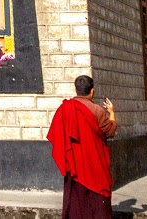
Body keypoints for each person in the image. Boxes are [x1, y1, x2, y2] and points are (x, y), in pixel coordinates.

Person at [48, 75, 118, 219]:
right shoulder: (97, 111)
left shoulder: (64, 109)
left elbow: (55, 135)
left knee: (78, 205)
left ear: (77, 90)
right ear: (92, 91)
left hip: (75, 166)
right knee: (98, 200)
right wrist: (111, 112)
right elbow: (110, 131)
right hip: (95, 164)